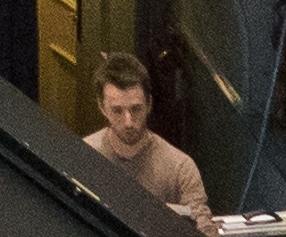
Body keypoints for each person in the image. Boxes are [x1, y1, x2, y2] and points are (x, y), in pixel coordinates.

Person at [88, 51, 216, 225]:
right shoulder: (85, 155)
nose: (128, 122)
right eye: (117, 111)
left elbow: (204, 232)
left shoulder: (180, 167)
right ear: (102, 108)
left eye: (136, 109)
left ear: (149, 104)